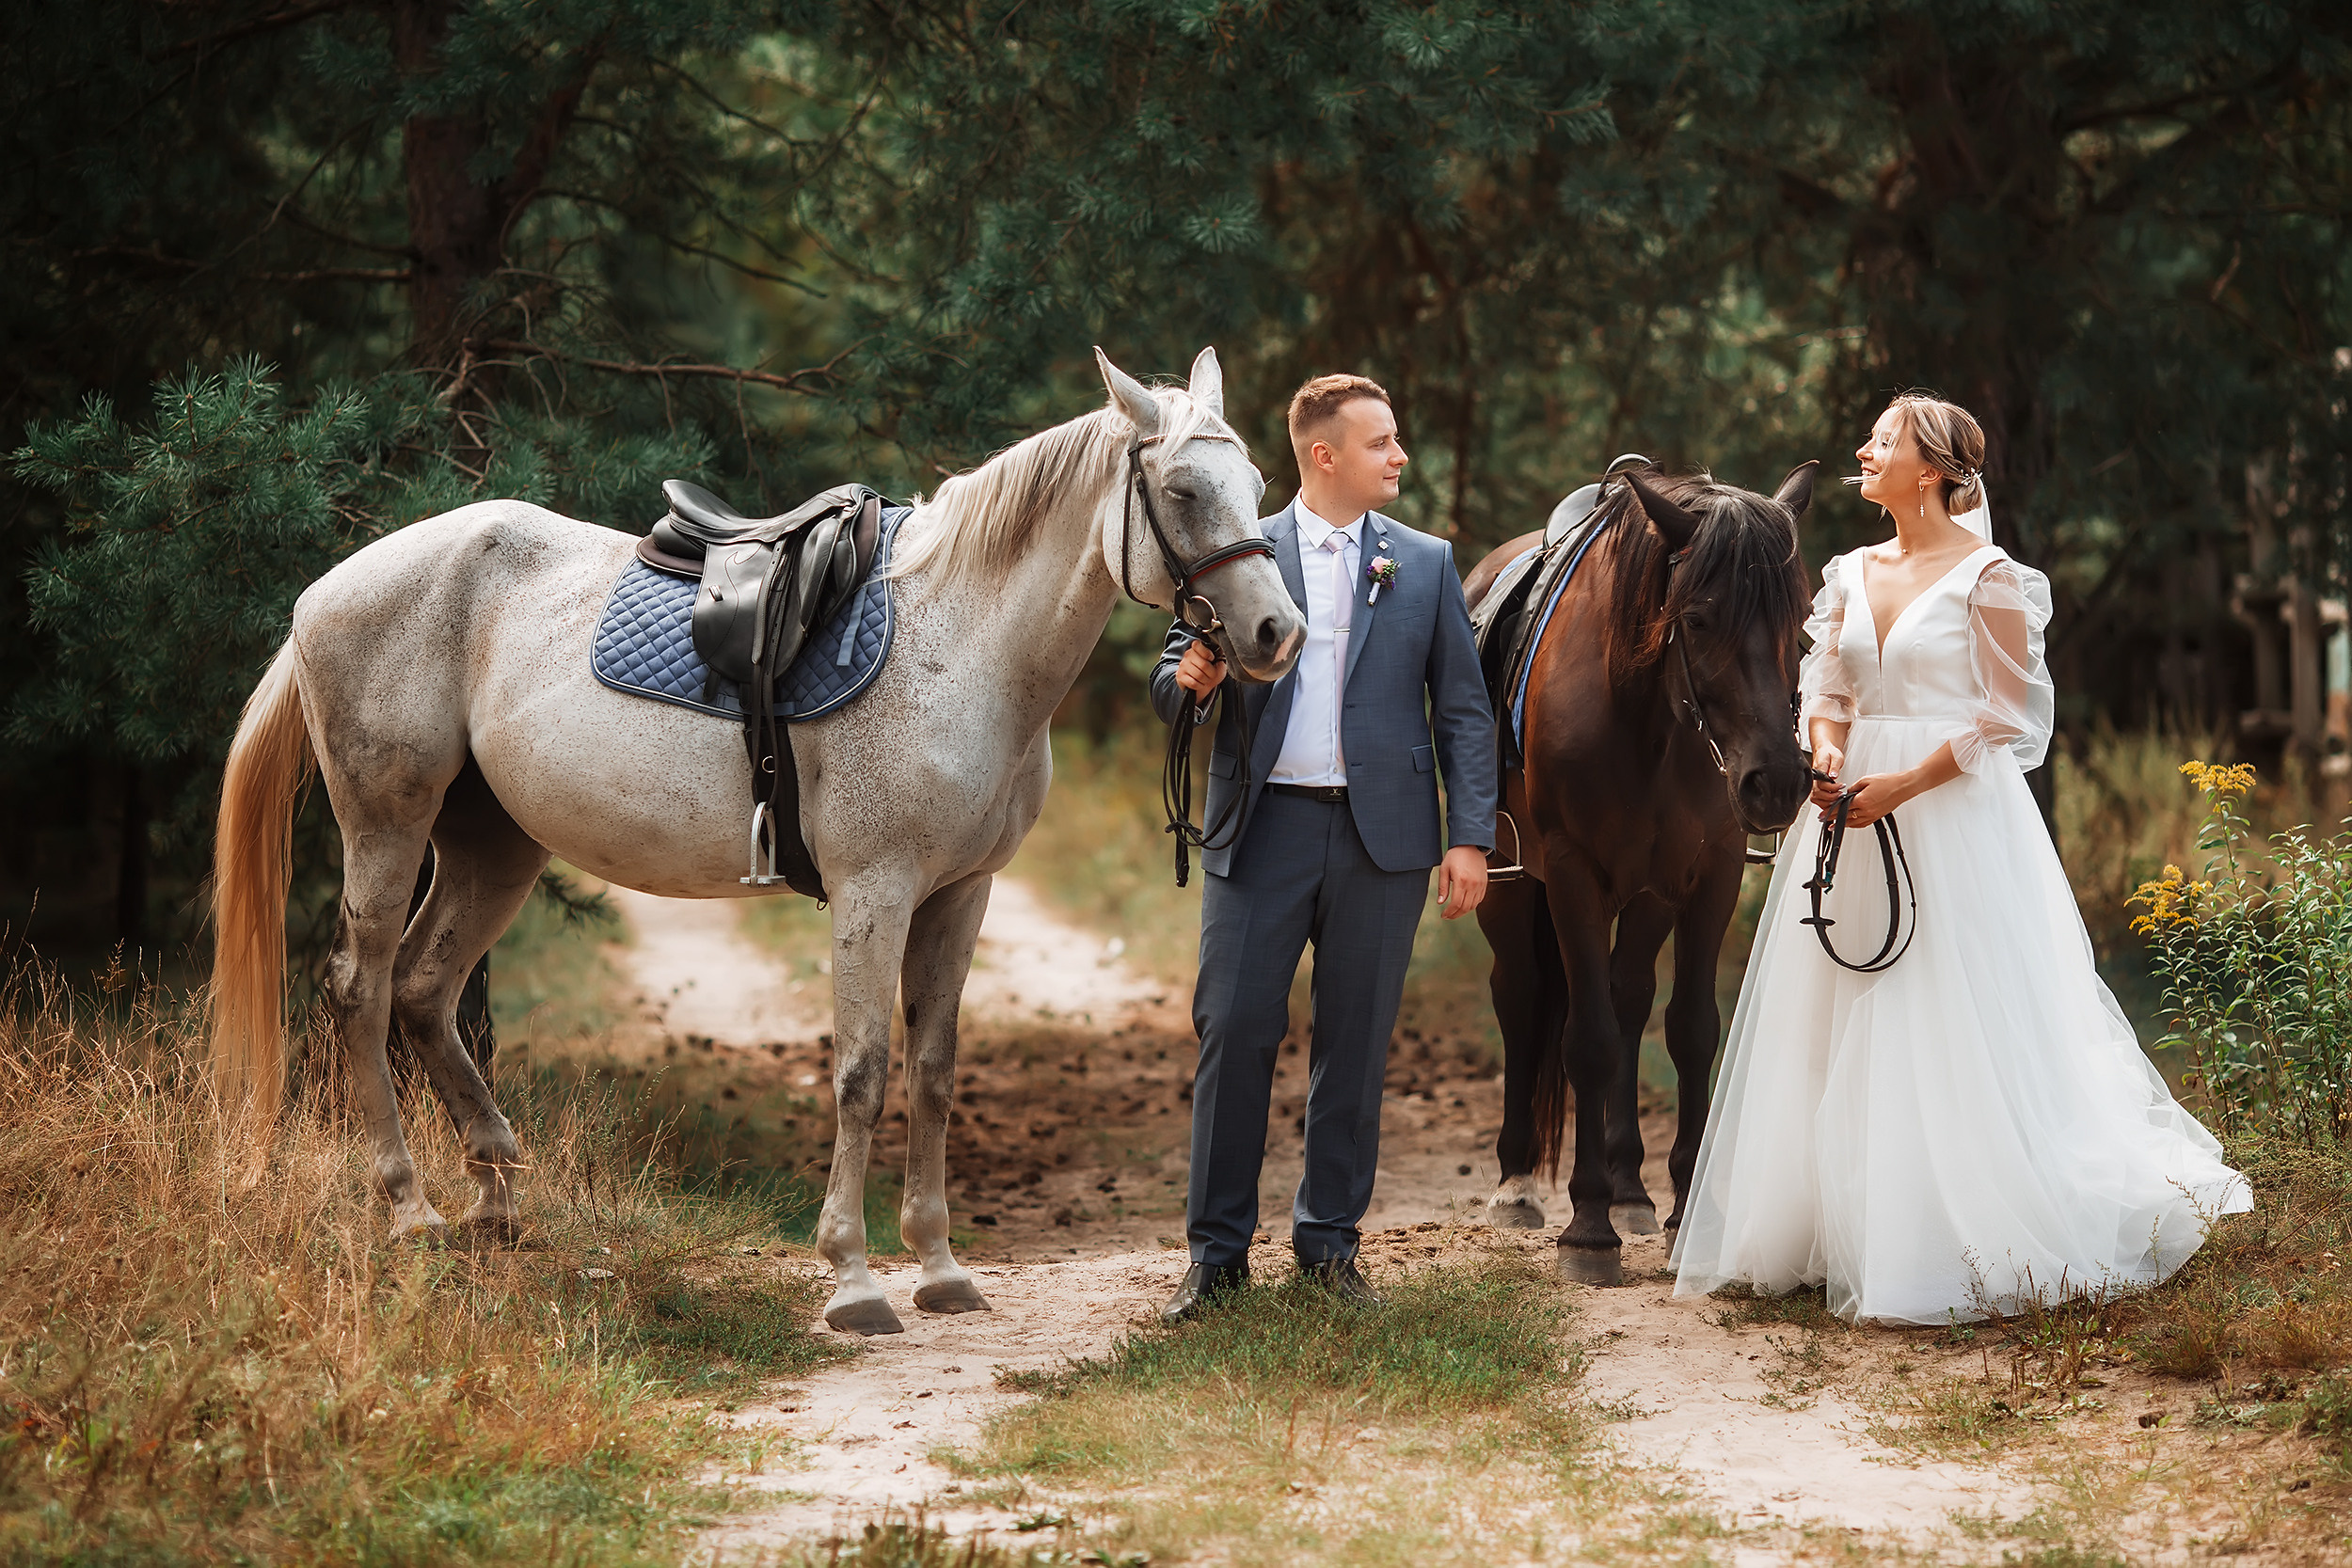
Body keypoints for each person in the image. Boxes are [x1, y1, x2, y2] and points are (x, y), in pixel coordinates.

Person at [1670, 393, 2251, 1325]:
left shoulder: (1992, 578)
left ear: (1933, 467)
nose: (1864, 448)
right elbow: (1825, 687)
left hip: (1951, 810)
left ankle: (1949, 1230)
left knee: (1940, 1005)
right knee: (1832, 1006)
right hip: (1848, 804)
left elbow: (2005, 718)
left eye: (1885, 439)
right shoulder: (1847, 571)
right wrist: (1825, 757)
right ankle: (1832, 1219)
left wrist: (1899, 786)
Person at [1150, 372, 1498, 1323]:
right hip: (1261, 831)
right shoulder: (1240, 546)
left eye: (1397, 439)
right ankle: (1215, 1258)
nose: (1400, 456)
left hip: (1382, 841)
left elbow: (1463, 711)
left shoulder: (1422, 563)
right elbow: (1170, 685)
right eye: (1381, 441)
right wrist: (1188, 678)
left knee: (1354, 1046)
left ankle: (1328, 1246)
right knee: (1233, 1034)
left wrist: (1468, 835)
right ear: (1323, 454)